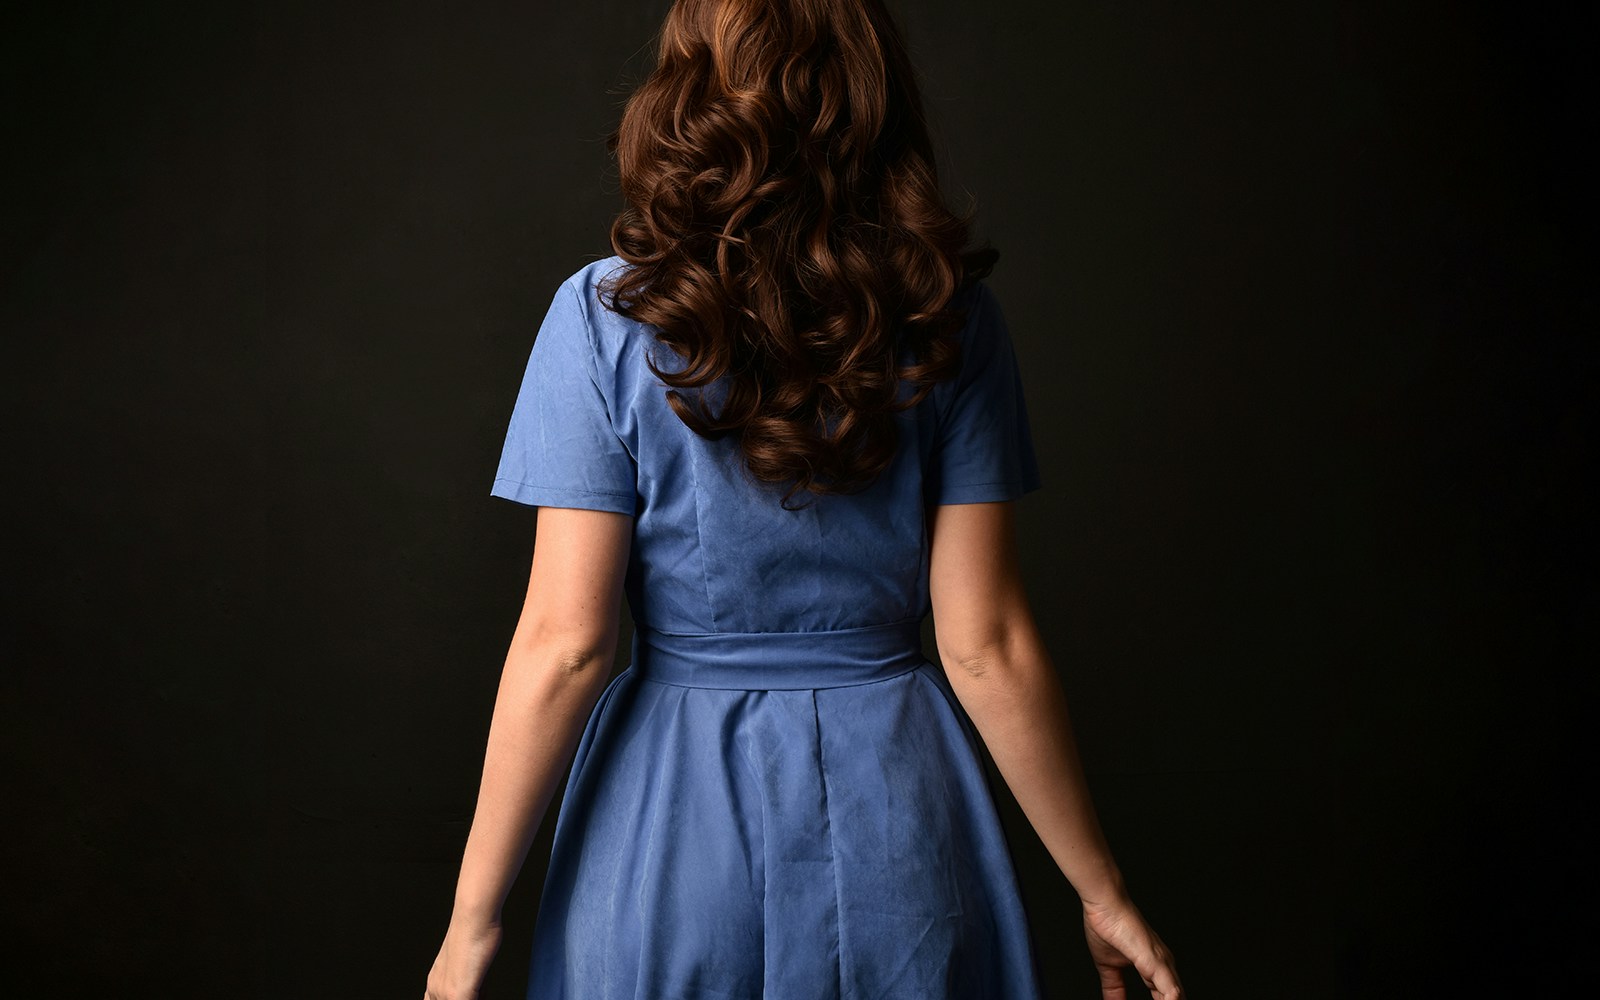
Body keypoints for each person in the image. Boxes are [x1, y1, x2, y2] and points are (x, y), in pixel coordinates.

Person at [426, 1, 1184, 998]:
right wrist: (1101, 887)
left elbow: (568, 644)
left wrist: (471, 925)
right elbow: (983, 641)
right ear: (871, 97)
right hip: (898, 822)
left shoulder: (602, 318)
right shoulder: (947, 316)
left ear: (688, 92)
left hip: (668, 823)